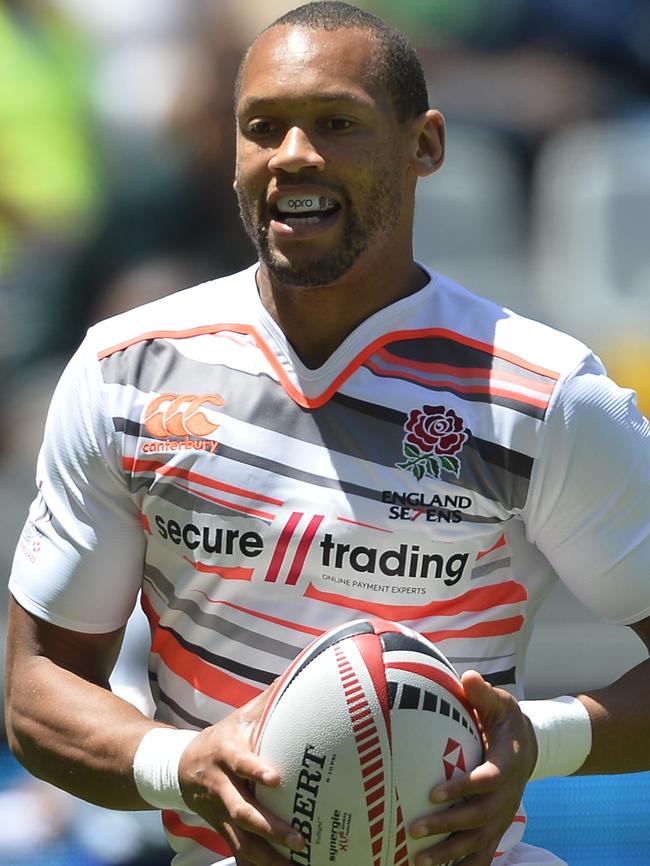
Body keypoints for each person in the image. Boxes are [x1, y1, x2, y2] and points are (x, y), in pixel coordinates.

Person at [5, 3, 650, 866]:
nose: (293, 155)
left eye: (336, 123)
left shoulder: (540, 393)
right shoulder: (126, 370)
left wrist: (536, 740)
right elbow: (39, 684)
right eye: (262, 127)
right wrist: (180, 764)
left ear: (424, 145)